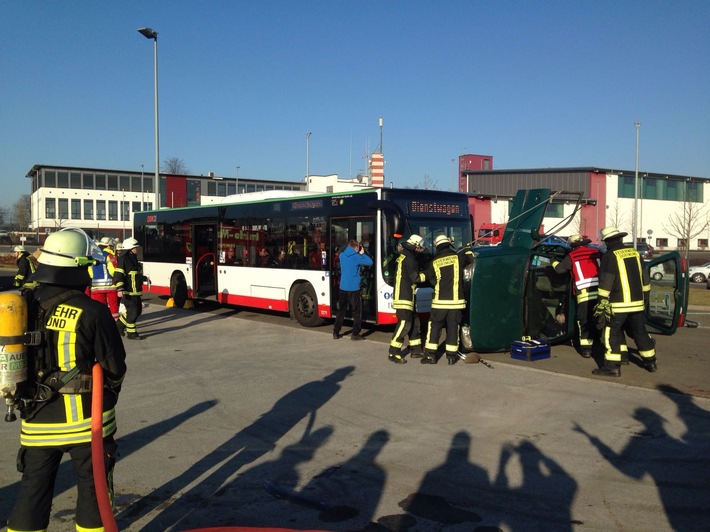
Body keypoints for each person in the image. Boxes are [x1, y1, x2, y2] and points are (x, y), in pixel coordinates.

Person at [6, 228, 127, 532]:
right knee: (93, 491)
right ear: (77, 267)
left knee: (33, 489)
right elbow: (115, 367)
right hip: (88, 422)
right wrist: (107, 397)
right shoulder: (92, 311)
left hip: (35, 420)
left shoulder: (21, 306)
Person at [593, 226, 657, 377]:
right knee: (640, 332)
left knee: (611, 332)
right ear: (620, 238)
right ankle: (651, 362)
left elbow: (606, 281)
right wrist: (645, 298)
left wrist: (602, 301)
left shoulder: (610, 256)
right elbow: (645, 278)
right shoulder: (635, 253)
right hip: (637, 303)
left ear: (607, 242)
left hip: (618, 304)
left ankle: (612, 367)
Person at [551, 233, 602, 358]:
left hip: (585, 295)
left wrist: (553, 260)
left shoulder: (572, 256)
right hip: (601, 293)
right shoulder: (596, 252)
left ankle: (586, 349)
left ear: (572, 246)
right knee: (601, 320)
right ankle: (603, 345)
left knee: (584, 321)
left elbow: (559, 269)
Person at [421, 234, 468, 364]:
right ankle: (451, 357)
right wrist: (466, 249)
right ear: (448, 244)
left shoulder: (434, 262)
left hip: (439, 303)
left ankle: (431, 356)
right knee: (453, 329)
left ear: (437, 246)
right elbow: (470, 258)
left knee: (434, 328)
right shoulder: (458, 257)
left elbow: (431, 279)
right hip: (455, 303)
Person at [388, 235, 426, 364]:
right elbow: (415, 278)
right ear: (415, 245)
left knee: (415, 323)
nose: (421, 249)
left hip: (404, 294)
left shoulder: (404, 255)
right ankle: (393, 352)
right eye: (419, 247)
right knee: (404, 324)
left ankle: (416, 349)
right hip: (404, 296)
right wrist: (428, 275)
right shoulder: (410, 258)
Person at [332, 239, 373, 341]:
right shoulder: (357, 257)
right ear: (356, 247)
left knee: (341, 310)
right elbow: (370, 262)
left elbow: (342, 251)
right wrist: (362, 253)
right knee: (357, 312)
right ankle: (355, 334)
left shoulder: (342, 255)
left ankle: (336, 332)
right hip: (354, 288)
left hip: (343, 287)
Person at [115, 237, 144, 340]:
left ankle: (119, 326)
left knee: (138, 310)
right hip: (128, 291)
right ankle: (131, 334)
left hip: (135, 291)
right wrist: (120, 289)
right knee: (133, 311)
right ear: (130, 248)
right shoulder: (123, 259)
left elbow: (135, 274)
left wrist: (143, 278)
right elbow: (118, 274)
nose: (136, 249)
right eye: (135, 247)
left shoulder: (133, 258)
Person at [88, 236, 120, 320]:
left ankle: (102, 323)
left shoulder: (93, 255)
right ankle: (115, 324)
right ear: (109, 246)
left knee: (100, 308)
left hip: (96, 286)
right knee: (113, 307)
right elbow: (113, 270)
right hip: (110, 285)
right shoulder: (109, 255)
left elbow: (90, 271)